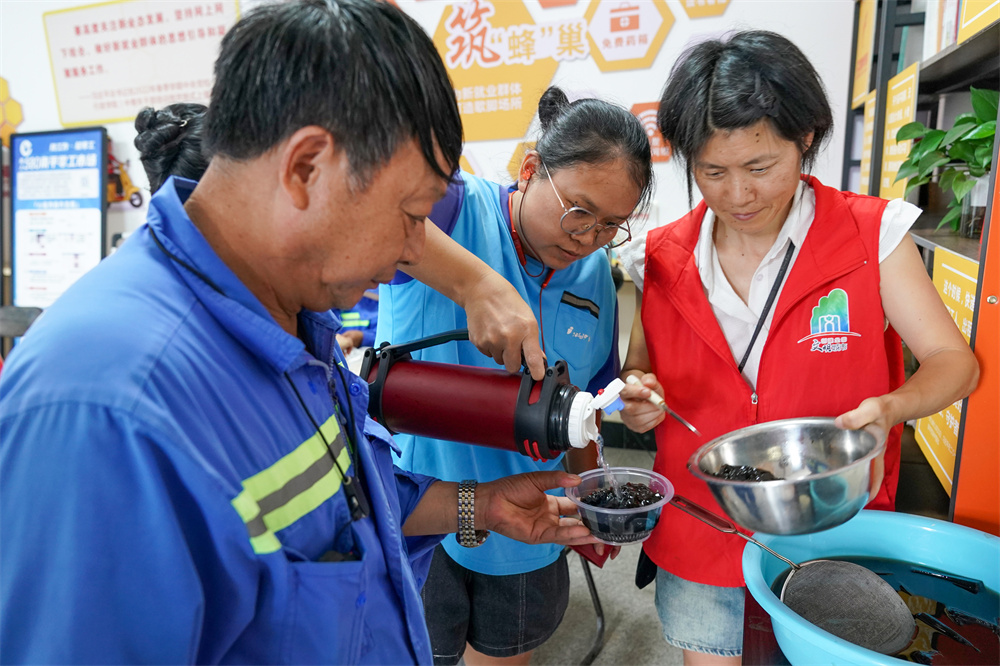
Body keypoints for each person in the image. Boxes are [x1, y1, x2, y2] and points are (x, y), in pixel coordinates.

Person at [0, 1, 600, 663]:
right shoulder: (104, 409)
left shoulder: (290, 319)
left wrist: (480, 506)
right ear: (305, 167)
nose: (413, 252)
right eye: (410, 216)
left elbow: (339, 502)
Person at [617, 31, 979, 665]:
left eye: (760, 168)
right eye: (712, 172)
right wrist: (637, 396)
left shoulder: (873, 234)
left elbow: (956, 364)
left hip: (836, 533)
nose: (737, 195)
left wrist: (893, 406)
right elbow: (638, 371)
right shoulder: (660, 257)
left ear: (806, 137)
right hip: (704, 528)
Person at [378, 85, 653, 665]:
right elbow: (377, 209)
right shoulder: (455, 209)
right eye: (578, 211)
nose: (587, 239)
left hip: (528, 523)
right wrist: (476, 284)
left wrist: (595, 496)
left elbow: (586, 412)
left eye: (611, 226)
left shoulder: (594, 277)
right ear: (531, 169)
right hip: (417, 508)